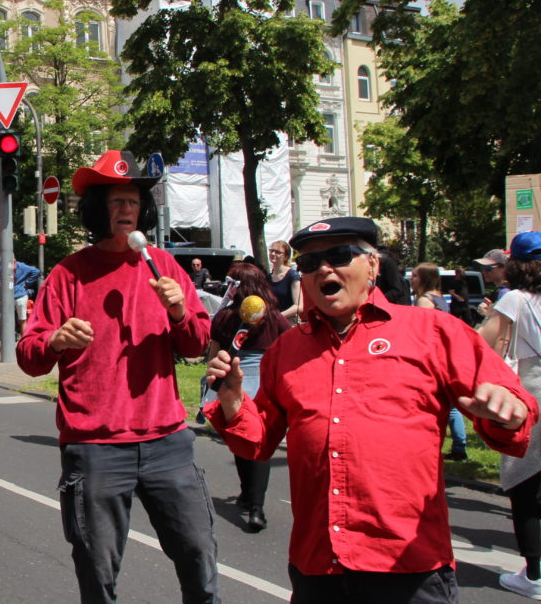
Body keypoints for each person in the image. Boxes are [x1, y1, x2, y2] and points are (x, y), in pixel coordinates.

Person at [205, 216, 536, 604]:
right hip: (319, 567)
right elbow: (255, 445)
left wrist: (507, 411)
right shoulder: (286, 351)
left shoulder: (432, 331)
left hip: (407, 565)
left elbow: (512, 416)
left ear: (373, 265)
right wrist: (231, 400)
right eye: (310, 264)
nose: (323, 268)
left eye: (339, 255)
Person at [17, 150, 218, 604]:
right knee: (98, 569)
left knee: (199, 555)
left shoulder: (163, 266)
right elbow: (28, 357)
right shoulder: (69, 274)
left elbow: (196, 344)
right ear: (96, 210)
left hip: (167, 439)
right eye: (115, 202)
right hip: (95, 446)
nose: (126, 210)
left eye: (132, 202)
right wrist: (55, 341)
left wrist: (180, 312)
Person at [200, 262, 291, 534]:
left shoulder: (225, 317)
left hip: (234, 381)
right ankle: (254, 506)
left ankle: (249, 498)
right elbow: (289, 345)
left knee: (241, 438)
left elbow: (213, 354)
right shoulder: (275, 317)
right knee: (260, 443)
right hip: (265, 383)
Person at [475, 231, 541, 599]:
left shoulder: (516, 299)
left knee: (524, 480)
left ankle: (534, 574)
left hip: (533, 387)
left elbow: (482, 341)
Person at [411, 263, 467, 461]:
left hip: (432, 356)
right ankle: (460, 445)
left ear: (424, 278)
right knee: (452, 405)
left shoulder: (424, 301)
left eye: (415, 275)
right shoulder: (440, 297)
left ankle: (444, 447)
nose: (411, 278)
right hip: (444, 353)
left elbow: (422, 333)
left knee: (440, 405)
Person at [0, 258, 41, 335]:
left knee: (22, 320)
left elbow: (36, 271)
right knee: (2, 318)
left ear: (15, 260)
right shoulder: (2, 267)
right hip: (8, 297)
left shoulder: (22, 266)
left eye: (13, 263)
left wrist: (27, 283)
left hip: (21, 296)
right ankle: (9, 337)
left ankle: (23, 342)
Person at [267, 239, 301, 323]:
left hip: (288, 322)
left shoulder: (292, 276)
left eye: (278, 252)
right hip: (272, 324)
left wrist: (278, 317)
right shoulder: (267, 278)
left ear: (285, 256)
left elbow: (298, 306)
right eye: (272, 251)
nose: (273, 254)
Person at [478, 248, 511, 320]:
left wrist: (487, 314)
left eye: (488, 268)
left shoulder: (505, 292)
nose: (483, 271)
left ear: (503, 268)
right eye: (482, 267)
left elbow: (503, 325)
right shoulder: (502, 290)